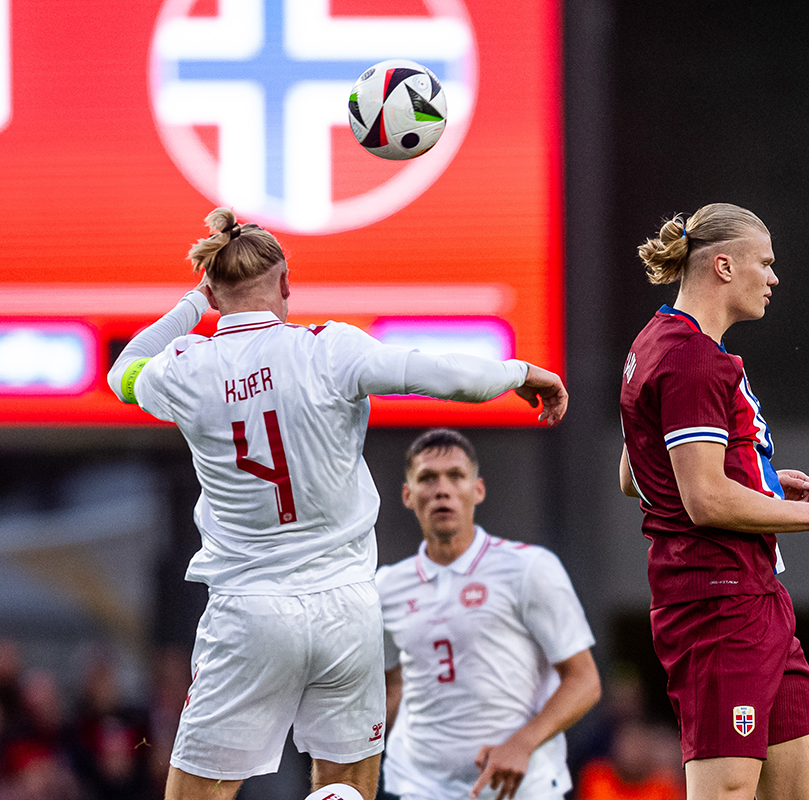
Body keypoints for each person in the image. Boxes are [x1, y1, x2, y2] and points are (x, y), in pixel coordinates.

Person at [106, 208, 568, 800]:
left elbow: (123, 370)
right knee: (347, 789)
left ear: (217, 294)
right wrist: (522, 372)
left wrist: (195, 306)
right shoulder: (330, 348)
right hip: (347, 610)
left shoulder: (186, 368)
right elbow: (452, 378)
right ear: (286, 285)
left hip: (250, 612)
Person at [617, 203, 809, 800]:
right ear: (725, 266)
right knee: (727, 791)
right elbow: (704, 499)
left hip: (755, 599)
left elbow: (639, 474)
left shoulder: (656, 341)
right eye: (766, 262)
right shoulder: (691, 359)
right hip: (716, 604)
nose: (774, 277)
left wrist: (758, 475)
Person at [376, 429, 601, 800]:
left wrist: (522, 744)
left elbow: (584, 680)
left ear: (477, 489)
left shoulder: (529, 568)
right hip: (421, 788)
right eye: (427, 478)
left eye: (455, 476)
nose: (442, 489)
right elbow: (390, 685)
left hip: (520, 787)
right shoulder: (386, 587)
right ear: (407, 495)